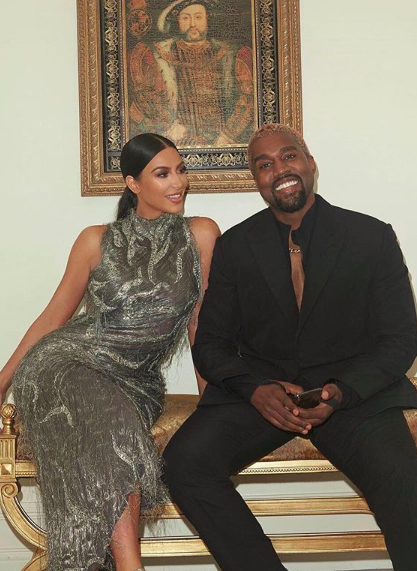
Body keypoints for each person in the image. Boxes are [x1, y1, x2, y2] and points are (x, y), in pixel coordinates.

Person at [163, 123, 417, 571]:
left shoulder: (371, 236)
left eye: (288, 156)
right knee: (183, 464)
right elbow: (211, 343)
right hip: (263, 396)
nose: (279, 169)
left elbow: (401, 340)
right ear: (256, 180)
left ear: (310, 163)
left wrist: (341, 392)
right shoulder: (236, 246)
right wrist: (254, 388)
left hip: (352, 396)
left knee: (403, 481)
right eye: (264, 165)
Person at [0, 133, 219, 571]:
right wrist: (0, 385)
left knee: (116, 435)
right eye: (162, 174)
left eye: (181, 171)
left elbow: (199, 324)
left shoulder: (201, 234)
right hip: (63, 365)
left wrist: (212, 400)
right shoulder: (96, 240)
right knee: (117, 431)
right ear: (133, 183)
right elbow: (52, 319)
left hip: (136, 381)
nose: (178, 183)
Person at [128, 0, 254, 146]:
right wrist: (169, 125)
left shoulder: (231, 54)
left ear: (207, 19)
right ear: (177, 20)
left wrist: (227, 136)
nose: (192, 24)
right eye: (186, 18)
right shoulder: (157, 53)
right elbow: (143, 94)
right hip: (176, 140)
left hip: (222, 140)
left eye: (198, 17)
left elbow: (248, 98)